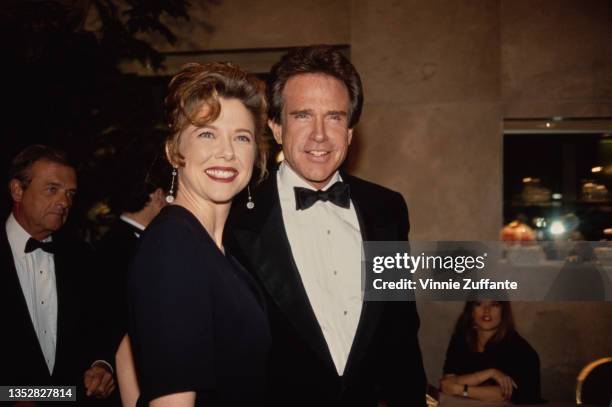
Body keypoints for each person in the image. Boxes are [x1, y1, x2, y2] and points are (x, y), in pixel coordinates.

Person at [226, 45, 427, 406]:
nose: (319, 134)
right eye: (303, 115)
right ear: (275, 125)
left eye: (334, 117)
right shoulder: (236, 213)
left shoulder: (386, 209)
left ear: (350, 131)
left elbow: (401, 334)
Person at [127, 62, 271, 407]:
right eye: (207, 133)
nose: (227, 151)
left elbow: (127, 350)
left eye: (242, 137)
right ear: (174, 151)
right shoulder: (173, 244)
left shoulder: (217, 252)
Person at [0, 145, 115, 402]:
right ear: (17, 190)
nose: (64, 202)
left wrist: (102, 365)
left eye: (70, 194)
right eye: (52, 189)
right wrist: (11, 395)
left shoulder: (83, 257)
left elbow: (102, 326)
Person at [95, 138, 170, 407]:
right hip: (126, 379)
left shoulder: (118, 242)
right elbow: (115, 318)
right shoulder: (126, 248)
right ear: (156, 196)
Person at [440, 300, 542, 404]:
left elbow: (505, 395)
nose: (486, 310)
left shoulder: (520, 349)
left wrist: (459, 390)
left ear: (504, 311)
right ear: (471, 311)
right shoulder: (460, 340)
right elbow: (446, 383)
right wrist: (490, 373)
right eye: (479, 304)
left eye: (494, 304)